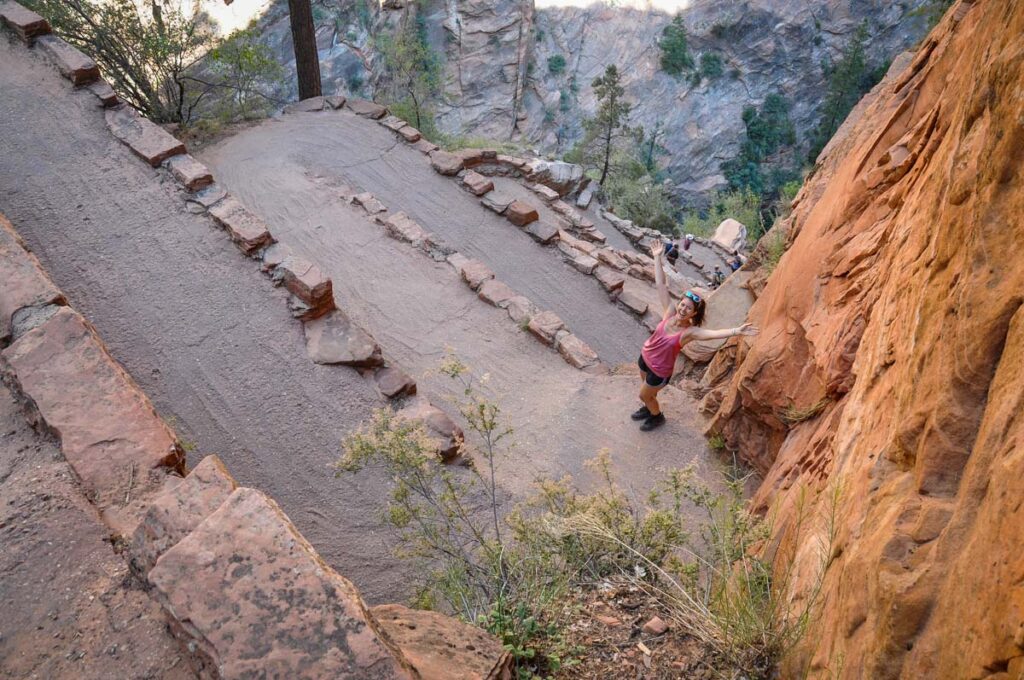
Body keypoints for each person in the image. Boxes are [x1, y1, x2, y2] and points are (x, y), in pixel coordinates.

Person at [632, 242, 758, 431]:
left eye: (688, 308)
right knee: (647, 393)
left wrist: (736, 331)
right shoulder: (670, 312)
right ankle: (649, 407)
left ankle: (657, 416)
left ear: (693, 314)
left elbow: (712, 334)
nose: (683, 309)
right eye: (682, 304)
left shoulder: (689, 332)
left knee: (644, 395)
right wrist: (657, 257)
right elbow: (661, 284)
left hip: (659, 371)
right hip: (645, 359)